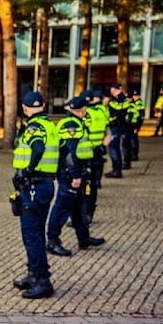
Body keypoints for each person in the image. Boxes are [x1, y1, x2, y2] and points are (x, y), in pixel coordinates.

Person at [11, 91, 59, 299]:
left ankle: (42, 279)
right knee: (37, 231)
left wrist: (28, 170)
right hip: (45, 184)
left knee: (31, 234)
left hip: (34, 185)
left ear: (25, 108)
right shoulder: (50, 125)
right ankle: (33, 273)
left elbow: (37, 148)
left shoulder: (34, 127)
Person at [45, 96, 105, 257]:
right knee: (62, 206)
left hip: (77, 170)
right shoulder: (71, 124)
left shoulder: (76, 122)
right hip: (70, 173)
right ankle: (52, 241)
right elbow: (70, 153)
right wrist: (75, 175)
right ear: (82, 109)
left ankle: (83, 238)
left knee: (77, 207)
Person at [82, 90, 110, 224]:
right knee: (92, 186)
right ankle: (89, 213)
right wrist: (103, 145)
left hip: (86, 154)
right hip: (98, 152)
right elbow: (108, 133)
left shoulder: (85, 115)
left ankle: (84, 214)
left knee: (83, 185)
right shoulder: (102, 112)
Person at [105, 83, 130, 177]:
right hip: (118, 126)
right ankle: (116, 169)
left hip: (117, 126)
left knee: (113, 148)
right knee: (114, 148)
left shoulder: (120, 100)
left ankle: (116, 170)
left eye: (114, 90)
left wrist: (108, 103)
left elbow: (119, 111)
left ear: (119, 90)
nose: (112, 92)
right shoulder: (120, 99)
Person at [128, 90, 144, 162]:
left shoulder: (139, 103)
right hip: (131, 124)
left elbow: (140, 116)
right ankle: (131, 154)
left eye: (136, 96)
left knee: (134, 140)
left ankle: (134, 155)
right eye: (134, 96)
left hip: (135, 124)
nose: (135, 97)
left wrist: (137, 127)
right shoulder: (133, 103)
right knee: (131, 140)